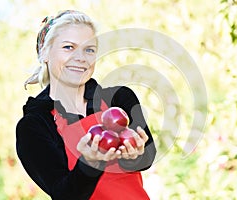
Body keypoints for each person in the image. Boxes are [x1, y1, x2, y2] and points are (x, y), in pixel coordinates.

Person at [16, 10, 156, 200]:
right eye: (68, 47)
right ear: (44, 53)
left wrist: (134, 156)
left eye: (89, 49)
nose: (81, 57)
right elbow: (64, 194)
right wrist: (90, 163)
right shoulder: (34, 125)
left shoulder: (119, 98)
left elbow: (148, 156)